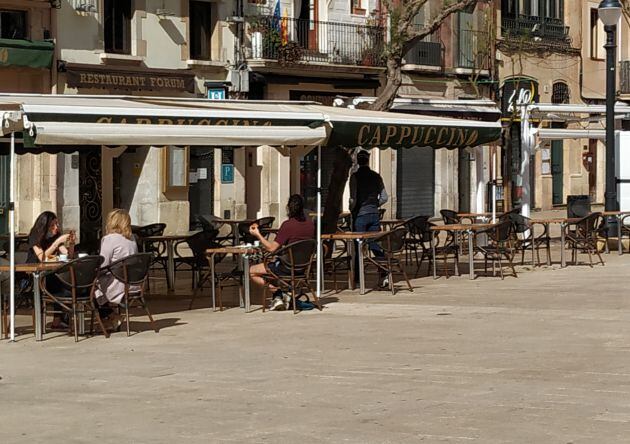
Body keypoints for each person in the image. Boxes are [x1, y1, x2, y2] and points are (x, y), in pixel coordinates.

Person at [249, 194, 314, 311]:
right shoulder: (310, 225)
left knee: (252, 271)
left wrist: (258, 234)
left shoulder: (288, 225)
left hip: (287, 267)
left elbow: (272, 248)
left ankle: (278, 293)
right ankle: (281, 297)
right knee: (272, 264)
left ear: (288, 208)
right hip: (303, 267)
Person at [26, 211, 75, 329]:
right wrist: (56, 243)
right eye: (53, 225)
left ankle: (58, 319)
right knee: (56, 280)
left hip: (51, 271)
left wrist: (71, 243)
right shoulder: (35, 235)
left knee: (60, 278)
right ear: (45, 226)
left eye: (57, 224)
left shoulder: (55, 235)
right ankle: (58, 318)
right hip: (35, 273)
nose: (56, 227)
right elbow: (42, 257)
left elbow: (68, 255)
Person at [349, 149, 389, 287]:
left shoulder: (354, 177)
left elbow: (353, 198)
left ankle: (358, 278)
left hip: (360, 215)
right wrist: (374, 205)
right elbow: (385, 197)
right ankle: (384, 272)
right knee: (374, 244)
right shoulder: (376, 176)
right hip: (374, 214)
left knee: (358, 245)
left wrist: (351, 209)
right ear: (368, 160)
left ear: (358, 161)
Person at [96, 209, 138, 329]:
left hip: (118, 283)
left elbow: (103, 264)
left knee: (89, 287)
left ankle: (111, 316)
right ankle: (111, 317)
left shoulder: (109, 239)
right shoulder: (132, 238)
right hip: (133, 282)